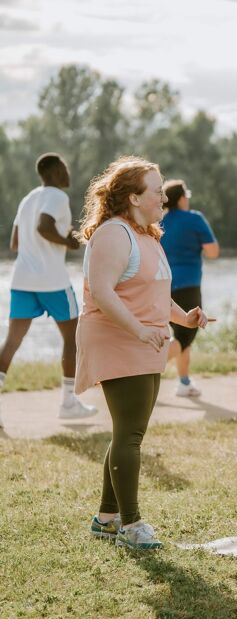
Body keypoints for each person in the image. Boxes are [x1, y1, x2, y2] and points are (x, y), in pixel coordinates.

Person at [78, 156, 211, 550]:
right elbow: (102, 292)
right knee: (131, 435)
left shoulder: (146, 235)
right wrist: (138, 330)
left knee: (128, 431)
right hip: (119, 340)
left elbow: (153, 294)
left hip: (144, 342)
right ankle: (131, 525)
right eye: (156, 191)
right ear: (134, 197)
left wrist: (184, 318)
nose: (163, 197)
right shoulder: (114, 234)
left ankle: (106, 519)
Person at [0, 153, 98, 424]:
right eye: (64, 168)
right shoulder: (57, 196)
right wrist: (68, 242)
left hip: (22, 281)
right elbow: (44, 226)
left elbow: (15, 243)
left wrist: (48, 243)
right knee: (73, 338)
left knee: (11, 342)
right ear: (54, 172)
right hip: (52, 282)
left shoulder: (28, 198)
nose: (67, 172)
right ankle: (68, 403)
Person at [160, 179, 220, 397]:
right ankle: (141, 369)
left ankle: (184, 383)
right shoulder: (194, 219)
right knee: (186, 335)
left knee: (180, 335)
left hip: (162, 286)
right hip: (188, 284)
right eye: (187, 195)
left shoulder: (158, 222)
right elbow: (213, 252)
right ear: (181, 199)